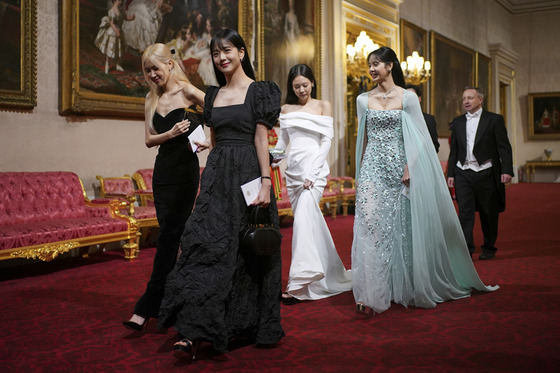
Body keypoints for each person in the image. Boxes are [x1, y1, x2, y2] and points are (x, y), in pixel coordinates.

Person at [158, 28, 284, 360]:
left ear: (242, 53)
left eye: (227, 50)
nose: (221, 57)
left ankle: (237, 323)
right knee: (205, 247)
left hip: (248, 175)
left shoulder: (260, 91)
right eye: (215, 53)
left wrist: (267, 182)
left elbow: (261, 140)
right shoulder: (212, 96)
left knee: (244, 253)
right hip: (217, 177)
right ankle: (191, 330)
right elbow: (212, 143)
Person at [352, 46, 498, 315]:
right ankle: (371, 293)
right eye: (369, 64)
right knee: (371, 227)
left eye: (376, 64)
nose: (372, 69)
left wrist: (410, 166)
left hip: (400, 170)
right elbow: (363, 139)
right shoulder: (363, 100)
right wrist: (360, 175)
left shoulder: (408, 98)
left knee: (400, 228)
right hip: (373, 169)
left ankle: (403, 286)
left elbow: (421, 138)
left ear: (390, 66)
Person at [122, 43, 205, 332]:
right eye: (147, 71)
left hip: (185, 173)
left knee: (169, 238)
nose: (152, 75)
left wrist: (207, 139)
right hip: (163, 174)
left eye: (155, 68)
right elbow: (148, 140)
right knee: (172, 237)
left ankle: (146, 306)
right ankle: (176, 301)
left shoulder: (189, 92)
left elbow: (220, 115)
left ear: (169, 65)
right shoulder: (150, 99)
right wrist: (170, 133)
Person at [274, 64, 351, 305]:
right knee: (308, 225)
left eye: (305, 85)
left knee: (304, 224)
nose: (301, 90)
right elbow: (283, 142)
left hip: (314, 172)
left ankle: (299, 283)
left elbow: (326, 142)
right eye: (296, 86)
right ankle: (329, 273)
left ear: (312, 83)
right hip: (293, 173)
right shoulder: (285, 108)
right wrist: (272, 156)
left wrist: (313, 172)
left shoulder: (323, 105)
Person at [447, 87, 514, 260]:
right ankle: (466, 249)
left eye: (470, 98)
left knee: (488, 213)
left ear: (480, 99)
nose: (466, 101)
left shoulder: (494, 120)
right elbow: (454, 150)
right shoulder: (458, 122)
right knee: (465, 213)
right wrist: (451, 174)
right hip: (463, 172)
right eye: (464, 99)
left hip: (486, 172)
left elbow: (504, 147)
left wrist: (506, 170)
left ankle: (489, 248)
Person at [94, 0, 135, 74]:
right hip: (113, 33)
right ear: (115, 1)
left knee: (119, 50)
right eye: (119, 0)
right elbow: (112, 23)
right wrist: (116, 31)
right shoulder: (112, 11)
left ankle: (118, 65)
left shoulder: (120, 9)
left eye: (121, 0)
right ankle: (107, 64)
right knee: (110, 51)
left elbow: (125, 17)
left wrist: (131, 18)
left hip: (119, 32)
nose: (121, 2)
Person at [405, 84, 440, 153]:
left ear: (419, 99)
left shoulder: (429, 119)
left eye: (412, 96)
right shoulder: (400, 118)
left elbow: (435, 145)